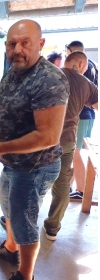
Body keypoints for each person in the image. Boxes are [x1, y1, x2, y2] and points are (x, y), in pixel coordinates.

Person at [0, 21, 69, 280]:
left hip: (35, 166)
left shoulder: (49, 79)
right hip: (12, 162)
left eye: (25, 43)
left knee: (24, 220)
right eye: (12, 44)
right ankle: (10, 248)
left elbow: (48, 136)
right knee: (10, 209)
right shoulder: (11, 73)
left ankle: (26, 279)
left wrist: (0, 147)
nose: (18, 50)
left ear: (40, 44)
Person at [44, 51, 97, 241]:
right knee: (62, 184)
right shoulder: (86, 83)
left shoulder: (49, 75)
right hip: (67, 141)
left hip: (42, 139)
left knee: (33, 180)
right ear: (81, 63)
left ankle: (21, 223)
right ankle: (52, 228)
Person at [65, 41, 96, 199]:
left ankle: (82, 190)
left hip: (81, 115)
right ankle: (69, 187)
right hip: (87, 115)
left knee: (75, 153)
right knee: (73, 153)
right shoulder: (92, 66)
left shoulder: (83, 70)